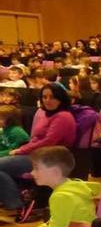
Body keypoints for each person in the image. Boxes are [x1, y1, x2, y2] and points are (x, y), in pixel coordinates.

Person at [0, 83, 76, 212]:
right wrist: (22, 150)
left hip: (49, 158)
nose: (47, 100)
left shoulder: (63, 116)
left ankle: (15, 201)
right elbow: (35, 139)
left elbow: (49, 141)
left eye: (52, 97)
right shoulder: (48, 115)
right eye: (44, 97)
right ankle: (14, 201)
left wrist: (20, 150)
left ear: (60, 98)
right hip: (35, 154)